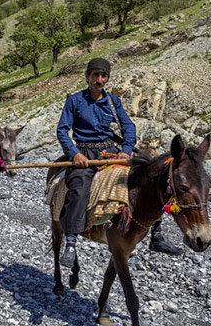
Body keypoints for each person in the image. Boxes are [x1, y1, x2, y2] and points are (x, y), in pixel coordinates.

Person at [56, 58, 179, 268]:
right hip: (85, 152)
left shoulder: (113, 101)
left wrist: (125, 150)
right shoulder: (74, 101)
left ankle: (156, 234)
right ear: (87, 77)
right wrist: (75, 154)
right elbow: (62, 130)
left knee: (149, 179)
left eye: (103, 76)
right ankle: (70, 241)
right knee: (78, 187)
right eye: (95, 75)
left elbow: (128, 127)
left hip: (111, 152)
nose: (99, 80)